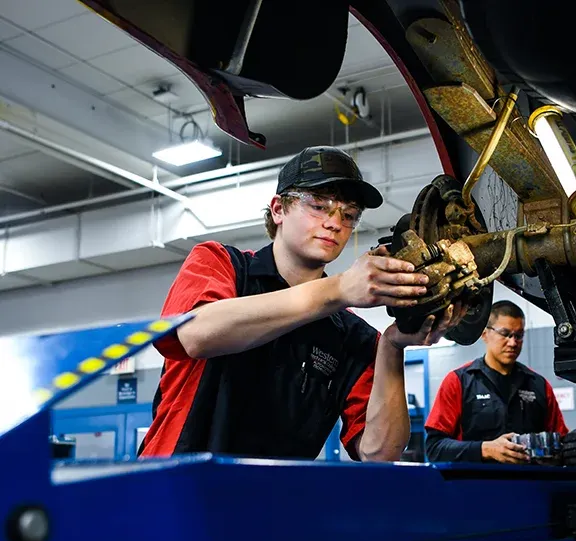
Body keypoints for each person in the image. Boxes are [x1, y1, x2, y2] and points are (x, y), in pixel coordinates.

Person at [139, 146, 461, 462]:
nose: (335, 223)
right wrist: (338, 289)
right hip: (176, 489)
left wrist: (392, 346)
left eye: (348, 215)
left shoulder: (352, 335)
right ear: (278, 209)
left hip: (274, 506)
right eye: (319, 206)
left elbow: (380, 452)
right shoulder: (221, 265)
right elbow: (196, 334)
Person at [424, 300, 569, 463]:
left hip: (529, 485)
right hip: (476, 486)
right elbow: (434, 448)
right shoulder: (459, 381)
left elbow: (562, 442)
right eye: (505, 334)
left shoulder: (539, 385)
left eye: (519, 335)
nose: (513, 343)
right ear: (485, 334)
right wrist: (485, 449)